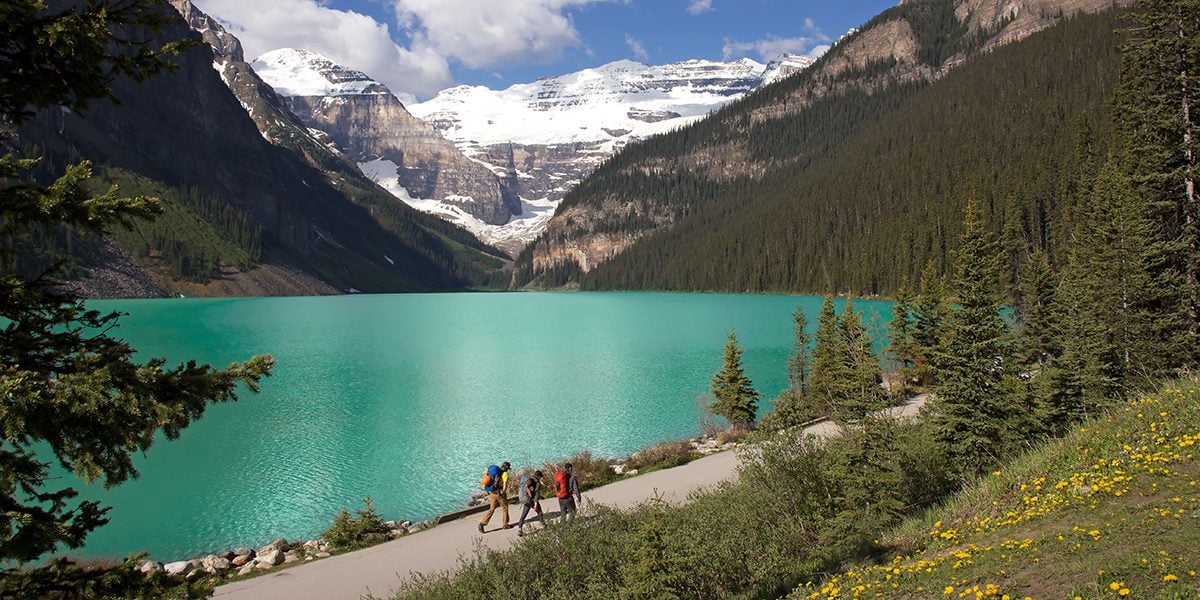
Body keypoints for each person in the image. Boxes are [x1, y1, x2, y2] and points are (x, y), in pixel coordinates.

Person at [478, 461, 511, 533]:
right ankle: (505, 524)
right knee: (505, 508)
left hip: (492, 493)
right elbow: (504, 487)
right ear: (507, 468)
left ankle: (482, 523)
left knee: (491, 509)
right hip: (499, 493)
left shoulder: (494, 471)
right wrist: (502, 493)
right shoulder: (505, 474)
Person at [516, 470, 544, 537]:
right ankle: (543, 524)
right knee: (539, 511)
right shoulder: (537, 483)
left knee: (523, 515)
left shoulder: (528, 478)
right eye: (540, 477)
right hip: (529, 499)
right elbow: (536, 495)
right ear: (539, 476)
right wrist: (535, 504)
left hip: (523, 498)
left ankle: (519, 529)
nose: (541, 479)